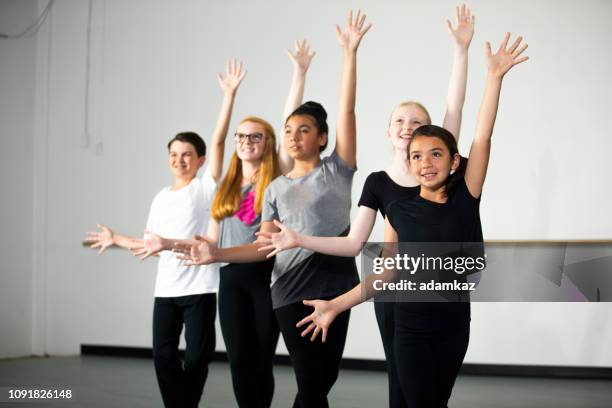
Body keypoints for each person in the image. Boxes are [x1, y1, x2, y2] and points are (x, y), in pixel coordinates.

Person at [264, 32, 529, 407]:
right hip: (410, 323)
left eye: (436, 154)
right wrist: (336, 305)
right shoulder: (398, 210)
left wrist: (494, 78)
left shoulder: (465, 194)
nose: (425, 162)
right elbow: (386, 272)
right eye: (418, 156)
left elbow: (481, 135)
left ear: (453, 161)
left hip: (454, 322)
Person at [173, 10, 371, 408]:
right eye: (288, 131)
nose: (295, 137)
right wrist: (218, 253)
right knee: (311, 383)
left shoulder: (338, 169)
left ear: (322, 138)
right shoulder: (276, 187)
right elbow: (263, 246)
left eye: (304, 130)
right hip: (289, 289)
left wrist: (349, 53)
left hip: (337, 285)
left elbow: (347, 110)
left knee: (323, 379)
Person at [135, 39, 316, 408]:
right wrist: (229, 96)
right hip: (231, 280)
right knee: (239, 361)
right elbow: (216, 143)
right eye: (241, 136)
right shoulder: (224, 187)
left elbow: (288, 121)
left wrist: (299, 73)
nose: (246, 140)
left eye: (255, 136)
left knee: (261, 359)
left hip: (268, 278)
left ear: (267, 143)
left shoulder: (277, 178)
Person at [84, 60, 246, 408]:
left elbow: (218, 142)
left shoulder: (204, 190)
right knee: (163, 356)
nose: (179, 160)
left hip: (200, 288)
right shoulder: (161, 197)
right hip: (166, 290)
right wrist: (117, 240)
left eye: (187, 155)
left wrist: (229, 97)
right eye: (173, 155)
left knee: (199, 357)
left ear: (200, 160)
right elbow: (151, 244)